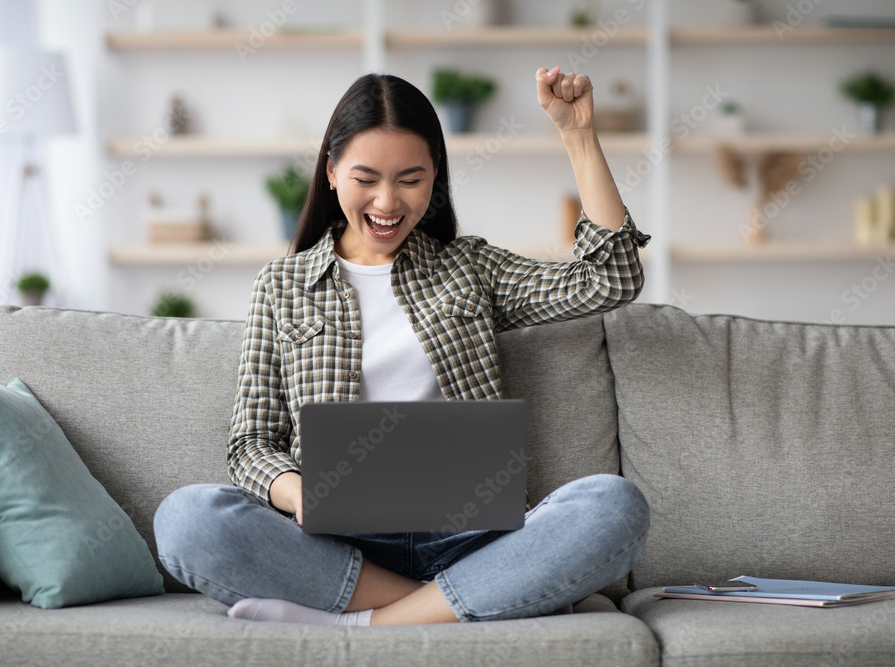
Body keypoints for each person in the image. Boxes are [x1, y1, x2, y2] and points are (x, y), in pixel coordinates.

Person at [154, 67, 651, 627]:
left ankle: (365, 622)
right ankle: (464, 601)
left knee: (614, 505)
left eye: (410, 179)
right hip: (339, 546)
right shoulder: (282, 285)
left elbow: (609, 280)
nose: (387, 202)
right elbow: (251, 443)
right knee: (186, 518)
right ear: (331, 171)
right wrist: (300, 495)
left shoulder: (469, 267)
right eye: (365, 179)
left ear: (435, 176)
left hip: (475, 539)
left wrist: (578, 135)